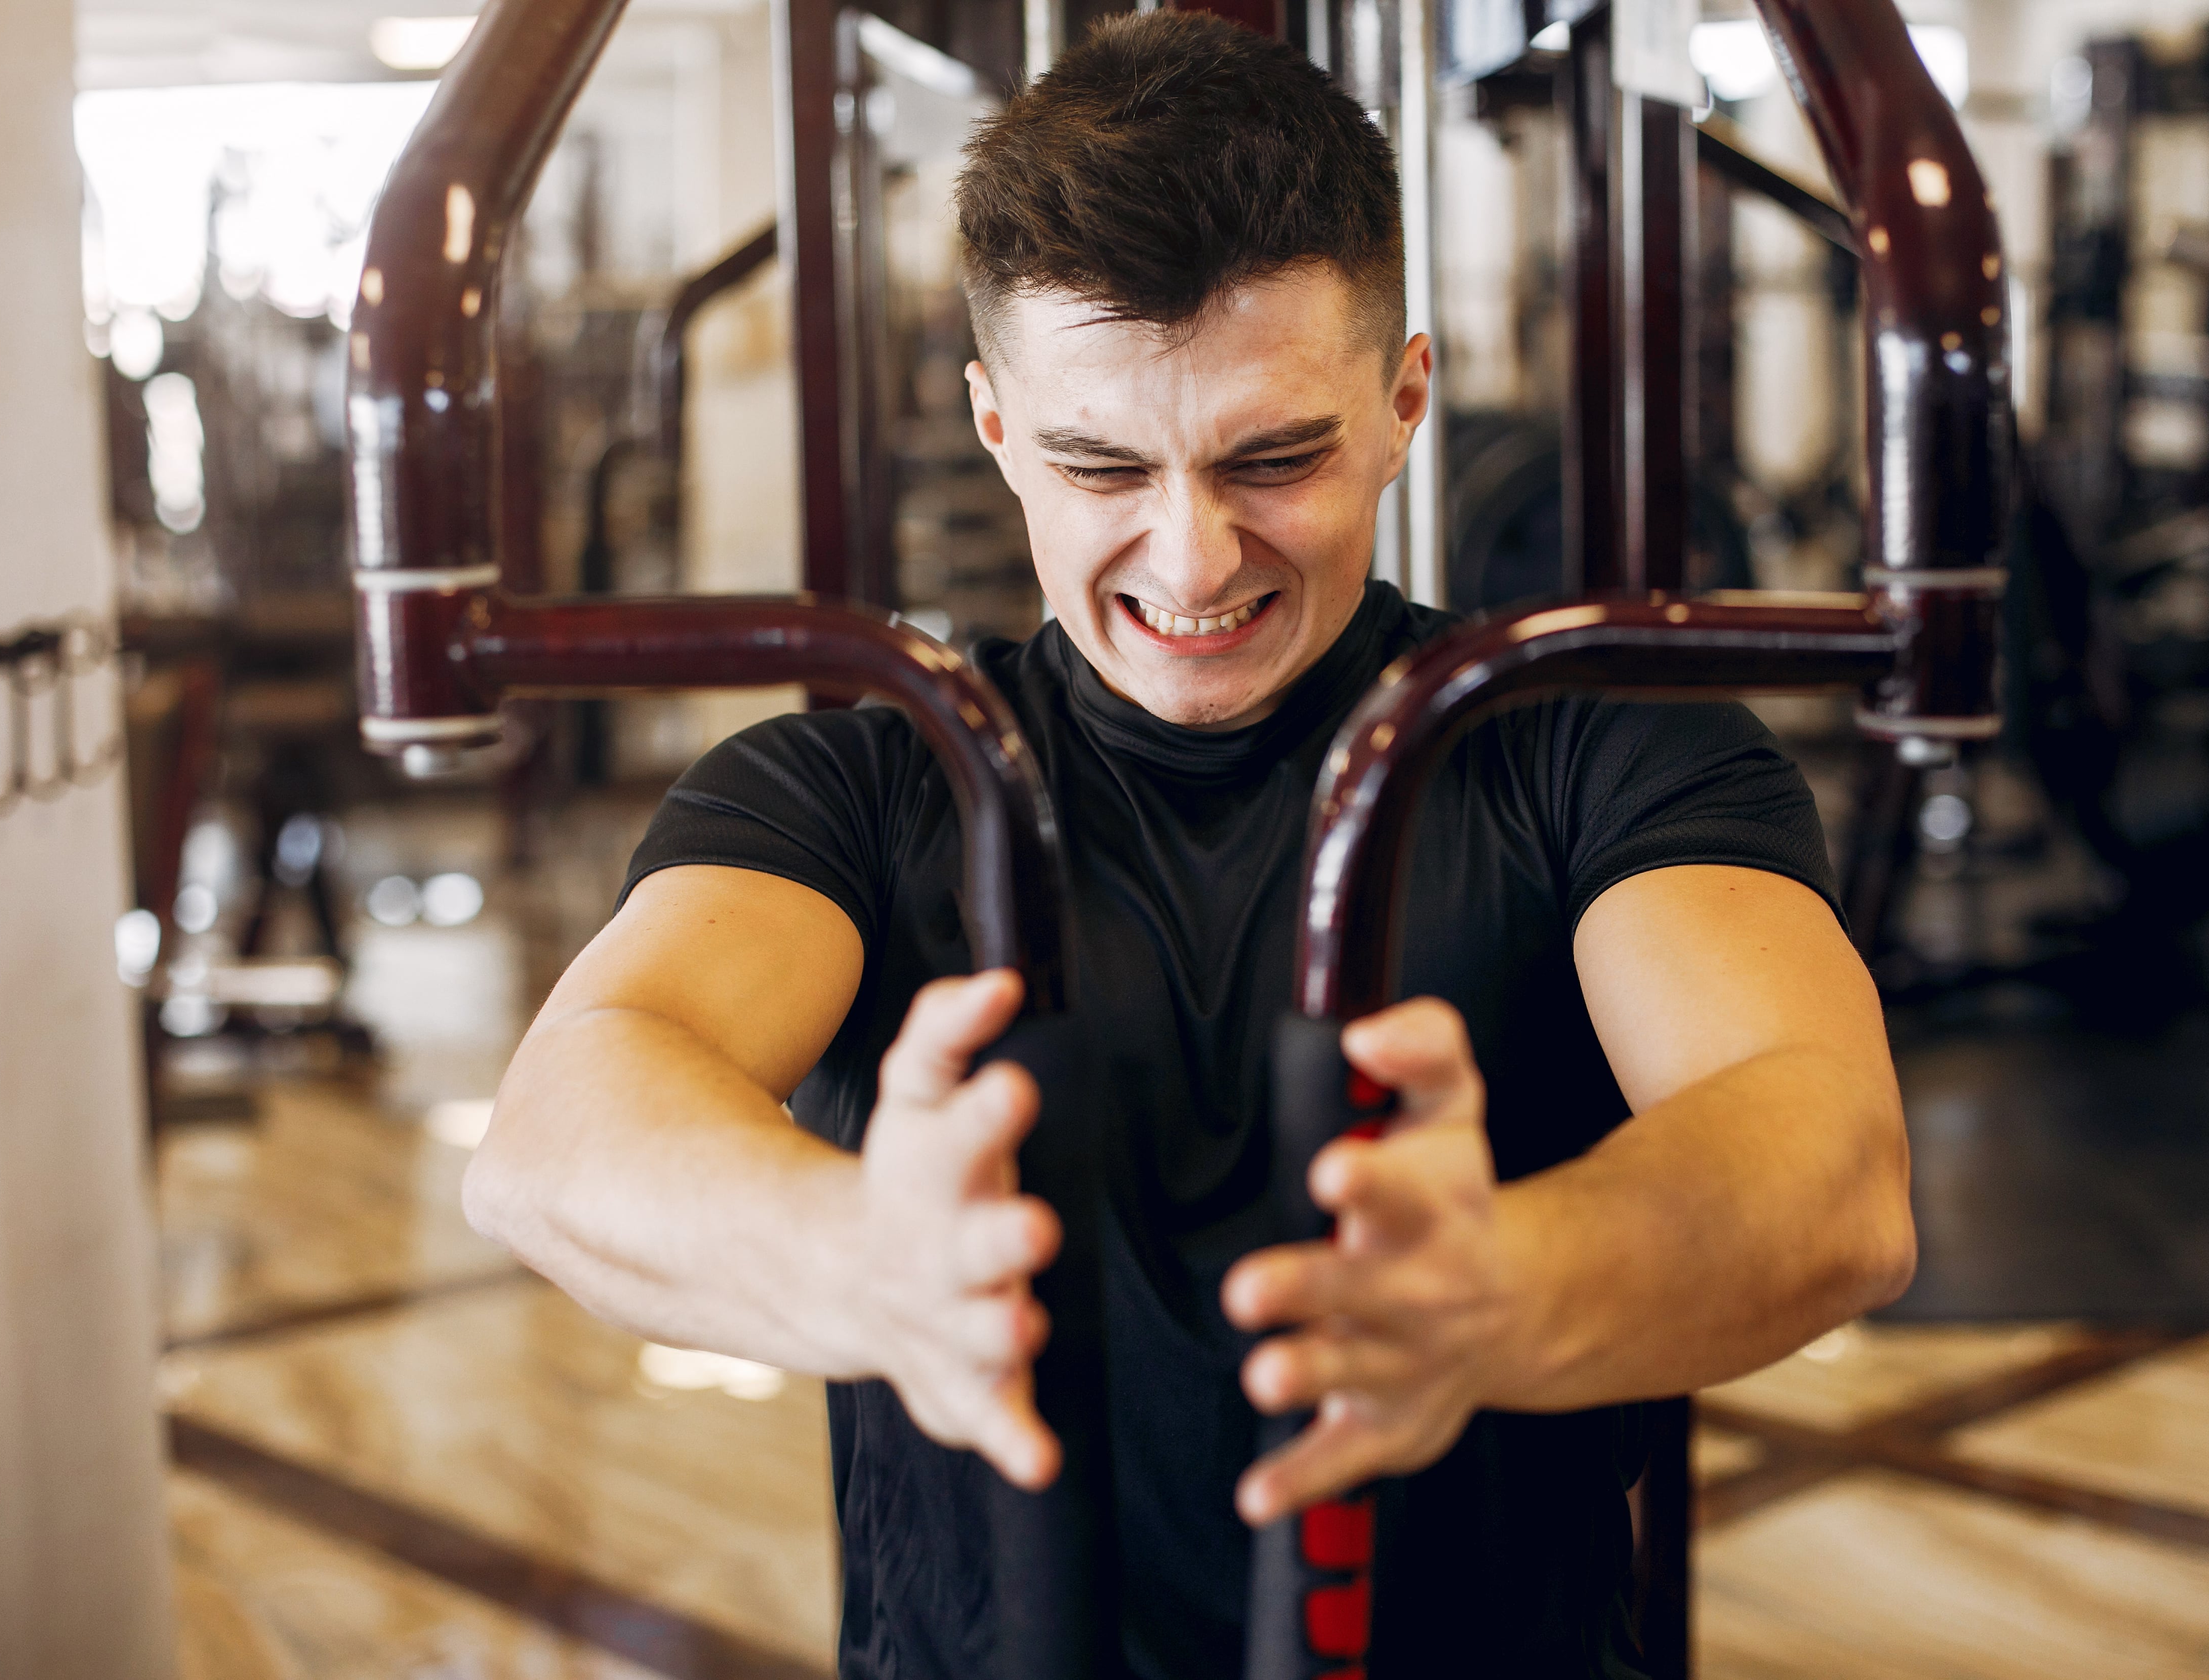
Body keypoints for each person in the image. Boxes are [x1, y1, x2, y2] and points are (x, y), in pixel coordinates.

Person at [465, 13, 1911, 1678]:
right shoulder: (859, 788)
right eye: (1100, 464)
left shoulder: (1600, 756)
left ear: (1403, 402)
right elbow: (556, 1136)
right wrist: (860, 1261)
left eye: (1272, 457)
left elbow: (1834, 1162)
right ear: (999, 430)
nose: (1194, 553)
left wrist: (1502, 1289)